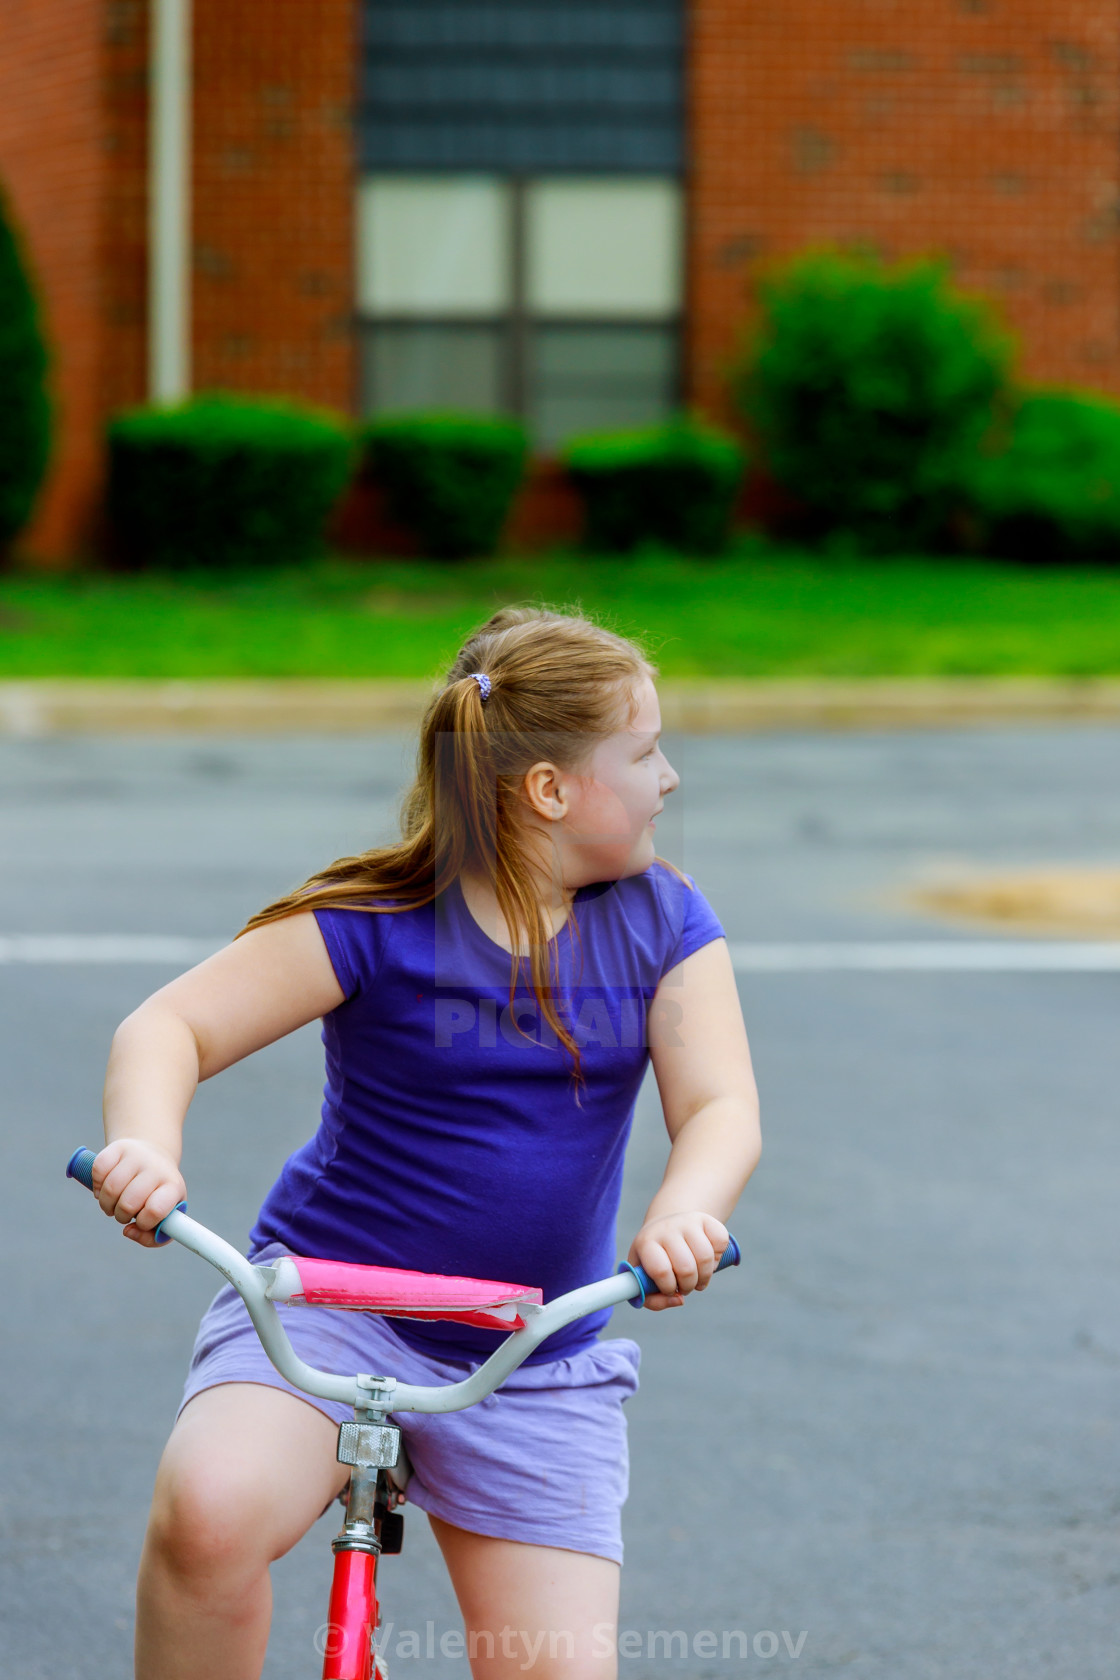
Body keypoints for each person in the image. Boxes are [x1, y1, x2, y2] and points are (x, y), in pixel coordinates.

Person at [90, 605, 762, 1680]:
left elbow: (721, 1103)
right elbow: (168, 1026)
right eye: (642, 753)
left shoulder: (661, 922)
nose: (668, 778)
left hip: (533, 1350)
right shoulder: (379, 916)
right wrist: (145, 1146)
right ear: (549, 791)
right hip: (325, 1318)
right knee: (207, 1519)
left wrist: (688, 1209)